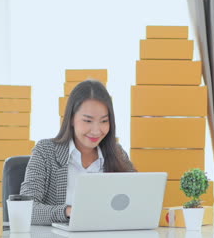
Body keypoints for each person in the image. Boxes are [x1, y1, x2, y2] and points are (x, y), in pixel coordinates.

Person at [20, 80, 135, 225]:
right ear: (72, 119)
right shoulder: (45, 151)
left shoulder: (118, 154)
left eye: (104, 121)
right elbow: (25, 209)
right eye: (88, 121)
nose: (96, 130)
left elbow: (136, 202)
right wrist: (69, 212)